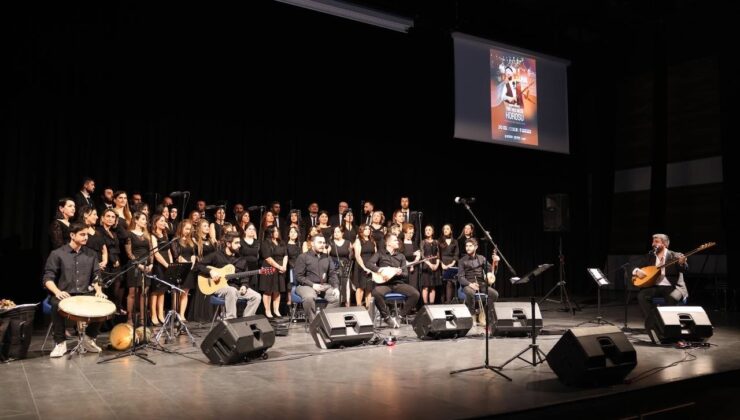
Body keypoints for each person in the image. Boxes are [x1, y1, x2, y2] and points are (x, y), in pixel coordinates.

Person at [43, 223, 106, 358]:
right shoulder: (57, 254)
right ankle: (60, 343)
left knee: (103, 304)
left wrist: (99, 290)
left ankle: (89, 338)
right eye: (82, 234)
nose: (85, 237)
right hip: (65, 293)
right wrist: (57, 292)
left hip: (85, 293)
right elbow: (48, 278)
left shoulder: (91, 254)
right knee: (55, 304)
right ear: (72, 235)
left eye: (87, 235)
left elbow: (96, 276)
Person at [195, 232, 261, 319]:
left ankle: (245, 321)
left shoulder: (241, 259)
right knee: (231, 290)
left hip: (235, 287)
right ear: (228, 244)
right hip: (219, 288)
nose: (239, 245)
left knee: (256, 296)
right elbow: (199, 265)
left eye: (239, 243)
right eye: (236, 243)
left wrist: (244, 285)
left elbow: (245, 276)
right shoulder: (216, 255)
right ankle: (231, 320)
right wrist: (210, 271)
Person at [367, 233, 420, 328]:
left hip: (398, 284)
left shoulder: (401, 256)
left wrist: (398, 273)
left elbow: (405, 274)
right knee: (375, 292)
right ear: (389, 243)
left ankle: (399, 316)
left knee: (415, 294)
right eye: (395, 240)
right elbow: (369, 263)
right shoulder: (380, 253)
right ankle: (387, 317)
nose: (398, 242)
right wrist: (380, 270)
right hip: (384, 284)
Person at [633, 233, 689, 318]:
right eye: (653, 242)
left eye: (656, 242)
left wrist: (682, 263)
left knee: (672, 297)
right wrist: (636, 271)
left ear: (665, 244)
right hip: (654, 286)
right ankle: (652, 321)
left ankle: (669, 323)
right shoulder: (650, 256)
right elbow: (633, 265)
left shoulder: (676, 255)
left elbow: (684, 270)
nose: (653, 244)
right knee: (642, 295)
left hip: (673, 287)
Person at [294, 234, 340, 323]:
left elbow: (332, 274)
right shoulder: (303, 257)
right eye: (319, 242)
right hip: (306, 285)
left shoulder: (327, 257)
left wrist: (336, 287)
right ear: (312, 244)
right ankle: (314, 323)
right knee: (309, 297)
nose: (322, 245)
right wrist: (313, 285)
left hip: (323, 286)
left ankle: (324, 321)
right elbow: (299, 276)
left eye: (323, 243)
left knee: (336, 297)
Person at [457, 238, 499, 321]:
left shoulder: (481, 258)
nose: (468, 248)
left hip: (481, 284)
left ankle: (484, 313)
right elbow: (460, 277)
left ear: (475, 247)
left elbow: (491, 272)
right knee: (470, 292)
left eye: (470, 246)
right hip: (468, 284)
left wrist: (495, 263)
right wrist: (470, 284)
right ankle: (472, 315)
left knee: (494, 294)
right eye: (466, 246)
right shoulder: (462, 261)